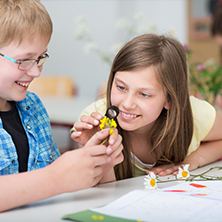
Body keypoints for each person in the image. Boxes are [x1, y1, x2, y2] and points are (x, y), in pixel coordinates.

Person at [0, 0, 123, 212]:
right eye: (24, 60)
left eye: (40, 58)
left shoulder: (33, 107)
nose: (37, 72)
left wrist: (90, 158)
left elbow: (61, 189)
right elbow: (53, 180)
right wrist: (56, 178)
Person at [71, 33, 222, 180]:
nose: (127, 104)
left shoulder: (195, 114)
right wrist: (99, 152)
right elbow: (102, 193)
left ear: (169, 99)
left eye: (144, 94)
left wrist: (195, 159)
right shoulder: (92, 120)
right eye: (121, 87)